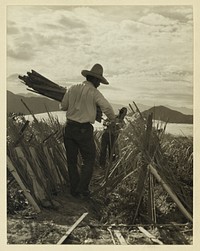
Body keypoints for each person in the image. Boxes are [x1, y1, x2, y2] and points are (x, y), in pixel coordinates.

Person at [60, 63, 115, 197]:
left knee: (71, 161)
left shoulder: (72, 88)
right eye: (99, 81)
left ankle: (74, 190)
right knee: (89, 159)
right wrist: (113, 119)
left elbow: (63, 106)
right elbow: (107, 107)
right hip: (84, 130)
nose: (99, 84)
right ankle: (82, 188)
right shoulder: (94, 92)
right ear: (95, 79)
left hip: (69, 128)